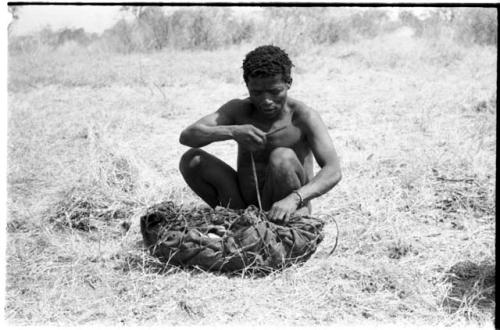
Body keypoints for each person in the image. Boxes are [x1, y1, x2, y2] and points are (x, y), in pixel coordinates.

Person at [179, 45, 341, 223]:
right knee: (192, 160)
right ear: (247, 85)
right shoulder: (239, 110)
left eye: (274, 91)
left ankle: (284, 226)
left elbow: (333, 170)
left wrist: (294, 199)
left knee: (282, 157)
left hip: (285, 208)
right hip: (243, 205)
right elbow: (187, 136)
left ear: (288, 83)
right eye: (256, 92)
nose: (266, 101)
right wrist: (232, 131)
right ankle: (234, 220)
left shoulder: (304, 116)